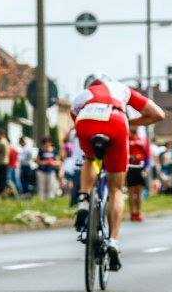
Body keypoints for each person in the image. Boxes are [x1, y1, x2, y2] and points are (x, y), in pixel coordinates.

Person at [71, 73, 165, 271]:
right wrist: (131, 123)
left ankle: (83, 200)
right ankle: (113, 240)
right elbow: (158, 114)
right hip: (116, 120)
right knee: (115, 189)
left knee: (90, 159)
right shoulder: (121, 89)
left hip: (86, 120)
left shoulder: (82, 96)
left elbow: (76, 120)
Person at [126, 126, 151, 221]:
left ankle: (139, 212)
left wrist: (146, 169)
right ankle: (132, 213)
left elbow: (147, 157)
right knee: (131, 192)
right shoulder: (127, 139)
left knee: (139, 192)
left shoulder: (143, 140)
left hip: (140, 168)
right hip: (130, 168)